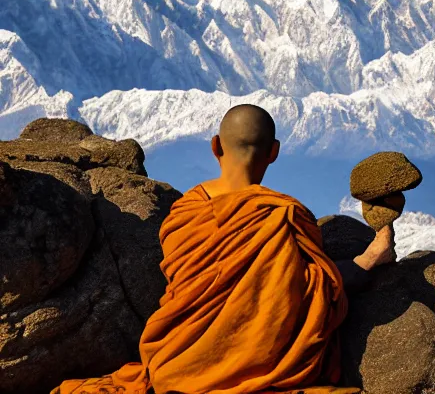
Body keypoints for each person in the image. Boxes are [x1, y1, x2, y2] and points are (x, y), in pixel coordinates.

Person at [52, 104, 395, 394]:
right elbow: (311, 290)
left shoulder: (185, 213)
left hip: (175, 364)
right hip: (262, 364)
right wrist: (369, 258)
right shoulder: (284, 216)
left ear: (215, 146)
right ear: (273, 152)